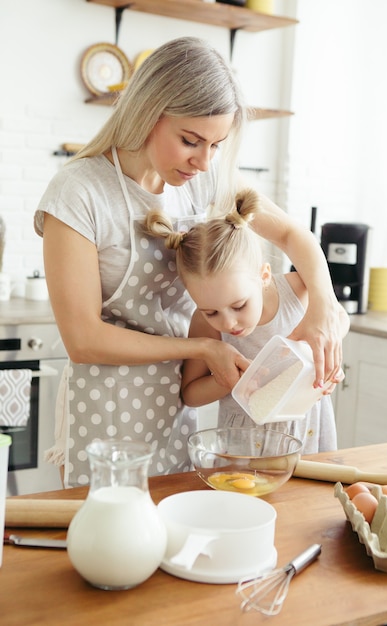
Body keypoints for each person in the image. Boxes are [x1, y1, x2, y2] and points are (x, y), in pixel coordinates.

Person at [34, 36, 345, 486]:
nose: (203, 160)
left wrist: (323, 306)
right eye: (190, 140)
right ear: (148, 111)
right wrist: (201, 348)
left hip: (178, 406)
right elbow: (83, 338)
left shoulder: (201, 183)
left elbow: (294, 235)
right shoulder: (79, 192)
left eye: (216, 145)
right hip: (105, 406)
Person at [143, 189, 350, 452]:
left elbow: (339, 319)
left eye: (239, 305)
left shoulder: (297, 290)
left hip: (306, 429)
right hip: (244, 443)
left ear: (264, 276)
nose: (228, 323)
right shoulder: (204, 325)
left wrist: (323, 356)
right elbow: (190, 394)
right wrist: (226, 382)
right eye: (211, 311)